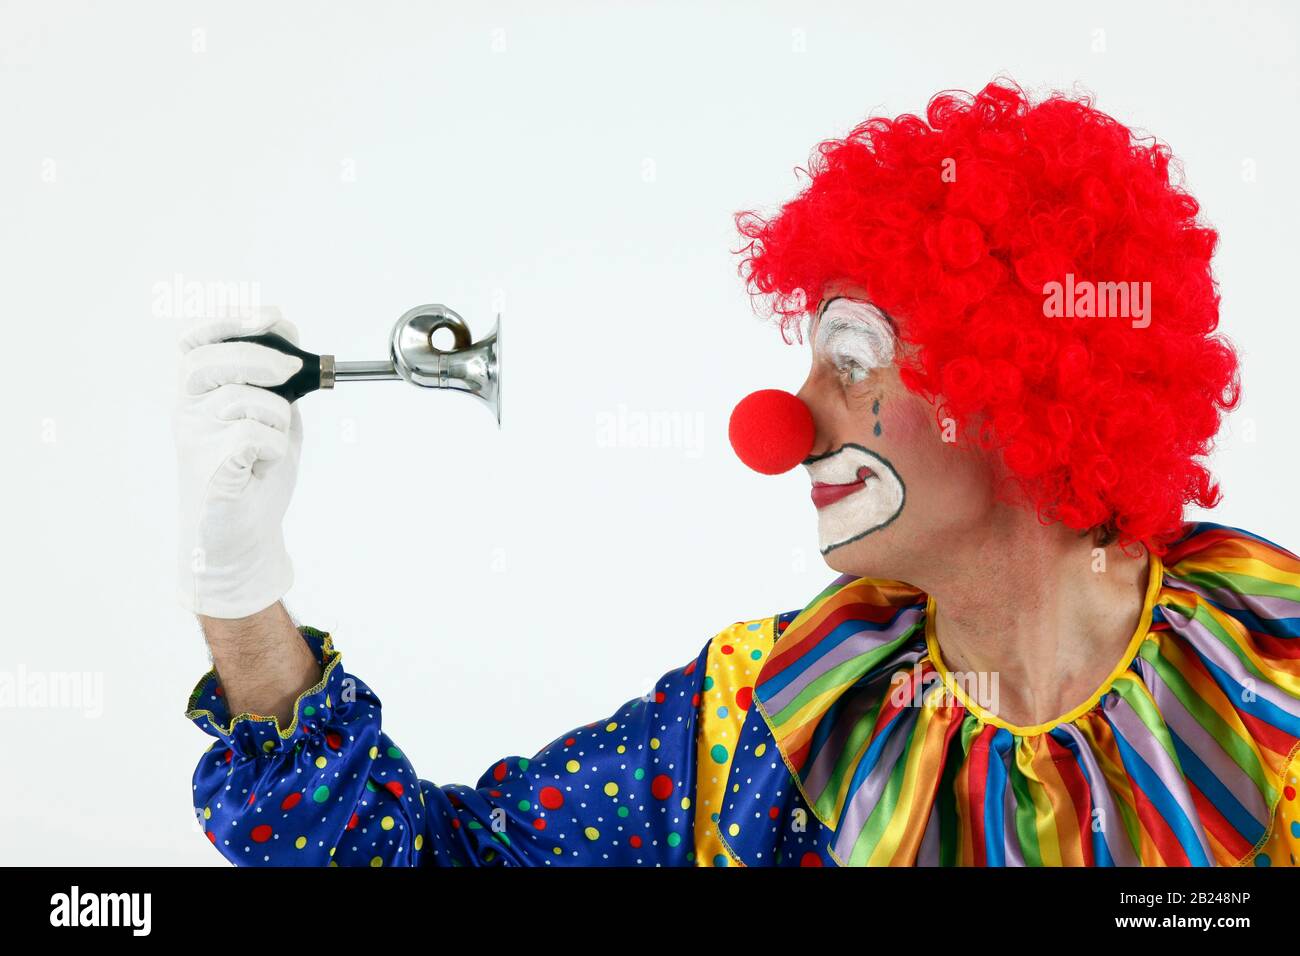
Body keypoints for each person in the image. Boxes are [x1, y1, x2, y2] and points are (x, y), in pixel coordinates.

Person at [175, 80, 1300, 867]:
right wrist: (241, 594)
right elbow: (435, 862)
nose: (784, 424)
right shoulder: (764, 717)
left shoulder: (1270, 667)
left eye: (850, 359)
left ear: (1020, 389)